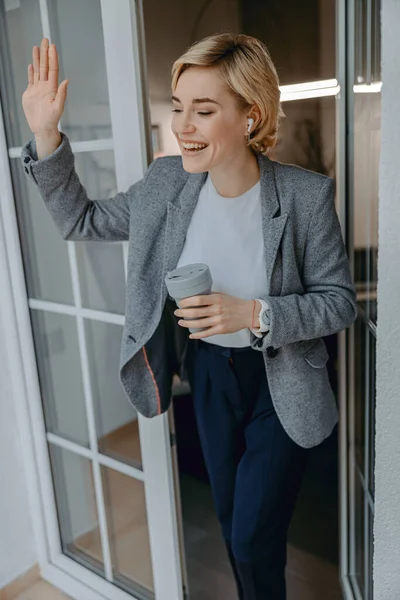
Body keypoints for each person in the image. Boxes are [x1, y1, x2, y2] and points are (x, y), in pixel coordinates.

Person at [21, 34, 357, 600]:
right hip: (207, 375)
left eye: (204, 111)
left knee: (253, 537)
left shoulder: (304, 197)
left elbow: (339, 302)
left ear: (251, 116)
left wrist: (253, 312)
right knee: (231, 524)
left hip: (281, 381)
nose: (183, 126)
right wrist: (46, 134)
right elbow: (80, 220)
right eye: (179, 108)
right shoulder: (165, 185)